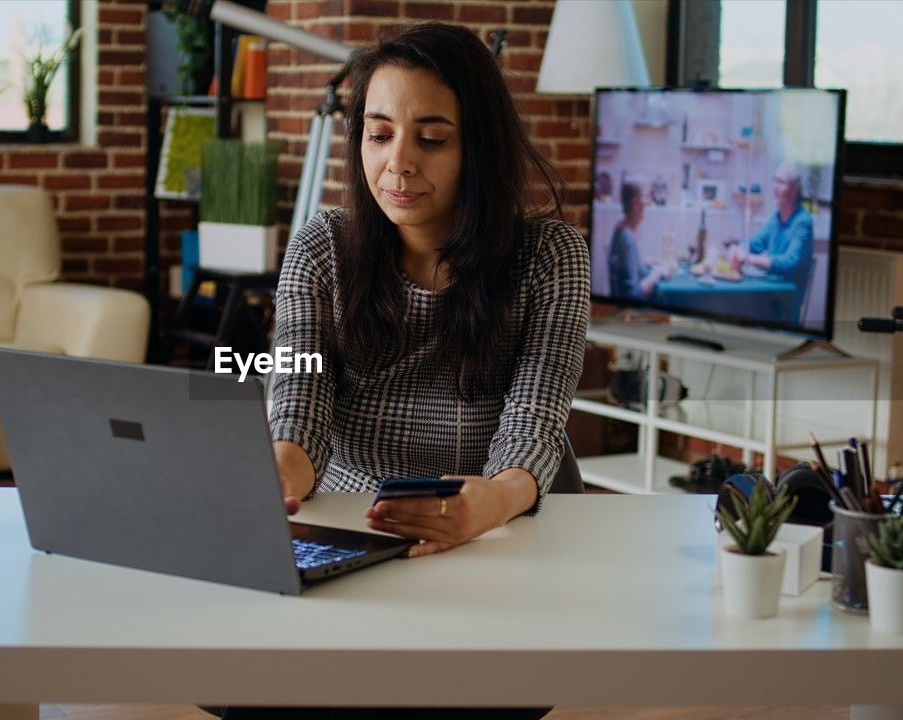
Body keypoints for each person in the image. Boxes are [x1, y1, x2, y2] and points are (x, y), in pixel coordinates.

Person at [214, 21, 589, 720]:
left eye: (433, 138)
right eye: (379, 134)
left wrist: (490, 504)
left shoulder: (549, 255)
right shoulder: (322, 246)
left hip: (486, 541)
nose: (398, 164)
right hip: (350, 532)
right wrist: (276, 472)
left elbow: (536, 422)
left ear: (477, 146)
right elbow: (297, 399)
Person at [732, 161, 814, 322]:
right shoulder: (776, 218)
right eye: (775, 181)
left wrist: (749, 258)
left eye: (782, 182)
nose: (776, 187)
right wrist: (738, 248)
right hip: (768, 294)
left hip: (786, 302)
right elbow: (753, 243)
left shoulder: (803, 222)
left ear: (795, 189)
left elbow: (790, 262)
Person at [606, 181, 672, 301]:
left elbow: (626, 273)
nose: (648, 202)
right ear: (635, 204)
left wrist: (643, 264)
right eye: (645, 196)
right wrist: (657, 274)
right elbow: (633, 295)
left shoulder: (620, 227)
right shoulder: (627, 240)